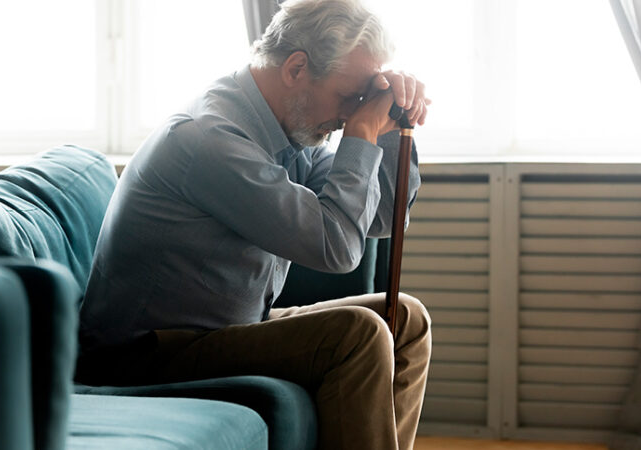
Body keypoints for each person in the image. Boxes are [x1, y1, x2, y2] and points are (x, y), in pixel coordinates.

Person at [77, 0, 432, 448]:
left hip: (230, 328)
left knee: (405, 319)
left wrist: (389, 131)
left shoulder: (292, 130)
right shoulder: (212, 138)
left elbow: (379, 219)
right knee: (356, 336)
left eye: (361, 101)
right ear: (296, 68)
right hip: (147, 353)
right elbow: (337, 249)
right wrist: (360, 136)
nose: (349, 115)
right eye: (348, 97)